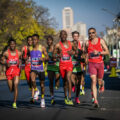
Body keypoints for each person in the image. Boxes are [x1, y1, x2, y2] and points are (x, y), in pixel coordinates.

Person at [85, 27, 109, 107]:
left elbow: (107, 51)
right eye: (89, 33)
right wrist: (85, 60)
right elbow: (86, 53)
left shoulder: (101, 41)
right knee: (93, 81)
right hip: (91, 64)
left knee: (99, 81)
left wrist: (99, 52)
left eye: (92, 32)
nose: (91, 34)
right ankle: (95, 101)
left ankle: (102, 84)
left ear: (95, 33)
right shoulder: (87, 43)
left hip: (100, 64)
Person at [53, 30, 74, 105]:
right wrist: (58, 55)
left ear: (66, 35)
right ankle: (65, 97)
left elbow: (76, 51)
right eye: (62, 35)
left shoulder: (71, 43)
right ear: (60, 36)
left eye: (65, 34)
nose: (63, 36)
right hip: (62, 65)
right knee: (65, 82)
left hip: (69, 64)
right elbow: (53, 56)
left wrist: (73, 52)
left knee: (68, 78)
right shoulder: (58, 45)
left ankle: (70, 97)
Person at [1, 38, 22, 108]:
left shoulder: (19, 53)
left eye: (13, 44)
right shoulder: (6, 53)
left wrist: (21, 63)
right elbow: (1, 61)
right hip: (9, 72)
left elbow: (22, 60)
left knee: (16, 85)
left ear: (15, 44)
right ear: (9, 45)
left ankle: (14, 102)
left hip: (16, 71)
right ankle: (13, 89)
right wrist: (5, 63)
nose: (12, 45)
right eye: (11, 44)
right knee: (11, 89)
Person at [30, 34, 48, 108]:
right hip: (33, 68)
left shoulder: (42, 48)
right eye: (32, 40)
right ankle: (36, 90)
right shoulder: (30, 48)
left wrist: (44, 59)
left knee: (42, 85)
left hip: (40, 69)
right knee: (32, 80)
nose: (33, 41)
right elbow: (25, 56)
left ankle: (42, 99)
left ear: (38, 40)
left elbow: (47, 57)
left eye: (35, 39)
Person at [46, 36, 60, 105]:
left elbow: (60, 55)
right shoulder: (46, 49)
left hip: (56, 66)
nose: (48, 42)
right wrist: (46, 59)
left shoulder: (56, 47)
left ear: (52, 41)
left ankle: (57, 83)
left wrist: (56, 57)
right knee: (51, 82)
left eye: (50, 40)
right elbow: (46, 57)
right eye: (47, 40)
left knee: (57, 80)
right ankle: (52, 97)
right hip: (50, 67)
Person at [71, 31, 85, 95]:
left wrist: (82, 57)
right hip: (73, 61)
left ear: (78, 37)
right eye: (74, 36)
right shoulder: (70, 43)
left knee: (81, 76)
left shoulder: (81, 43)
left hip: (80, 61)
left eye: (77, 36)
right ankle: (73, 85)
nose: (75, 37)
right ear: (72, 37)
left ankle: (81, 88)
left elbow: (83, 52)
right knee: (72, 76)